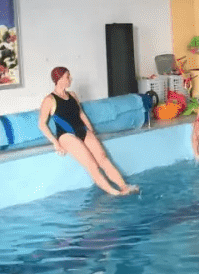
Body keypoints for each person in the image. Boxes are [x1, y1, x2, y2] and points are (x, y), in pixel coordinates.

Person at [37, 66, 137, 196]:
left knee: (103, 158)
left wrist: (90, 130)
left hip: (82, 130)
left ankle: (124, 187)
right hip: (66, 135)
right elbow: (42, 124)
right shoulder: (50, 100)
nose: (70, 79)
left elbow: (81, 114)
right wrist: (55, 143)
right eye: (68, 77)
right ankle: (115, 193)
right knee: (92, 165)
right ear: (59, 79)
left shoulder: (72, 95)